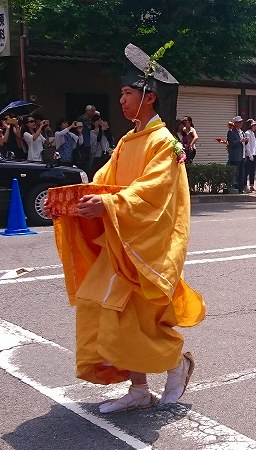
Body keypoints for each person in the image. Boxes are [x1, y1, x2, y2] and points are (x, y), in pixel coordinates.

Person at [44, 43, 205, 413]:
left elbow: (153, 191)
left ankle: (175, 364)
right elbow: (103, 182)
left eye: (127, 93)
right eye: (121, 93)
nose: (121, 100)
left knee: (131, 319)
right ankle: (139, 389)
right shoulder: (128, 141)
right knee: (97, 305)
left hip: (146, 246)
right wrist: (70, 203)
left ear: (149, 97)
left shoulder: (164, 142)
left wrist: (109, 204)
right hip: (121, 241)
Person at [227, 116, 246, 193]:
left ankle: (241, 188)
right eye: (239, 122)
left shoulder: (242, 132)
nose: (241, 123)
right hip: (235, 156)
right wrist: (240, 140)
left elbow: (243, 143)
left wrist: (246, 140)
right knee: (236, 173)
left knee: (242, 173)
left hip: (242, 155)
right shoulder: (231, 132)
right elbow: (231, 143)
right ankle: (236, 188)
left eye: (241, 122)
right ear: (235, 123)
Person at [244, 118, 256, 192]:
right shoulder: (247, 133)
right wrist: (249, 155)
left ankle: (252, 185)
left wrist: (255, 153)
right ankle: (245, 186)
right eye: (253, 125)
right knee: (247, 171)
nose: (255, 126)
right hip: (249, 155)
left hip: (254, 154)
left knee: (253, 171)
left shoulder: (252, 133)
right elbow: (247, 145)